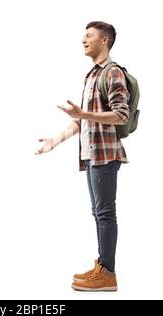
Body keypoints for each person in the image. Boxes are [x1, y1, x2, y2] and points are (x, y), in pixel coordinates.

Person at [35, 21, 130, 291]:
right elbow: (83, 122)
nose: (83, 40)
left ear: (105, 40)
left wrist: (84, 115)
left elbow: (120, 114)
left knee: (105, 213)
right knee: (99, 213)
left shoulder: (112, 73)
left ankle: (108, 273)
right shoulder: (91, 75)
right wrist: (54, 141)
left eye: (89, 36)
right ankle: (102, 266)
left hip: (105, 155)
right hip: (91, 155)